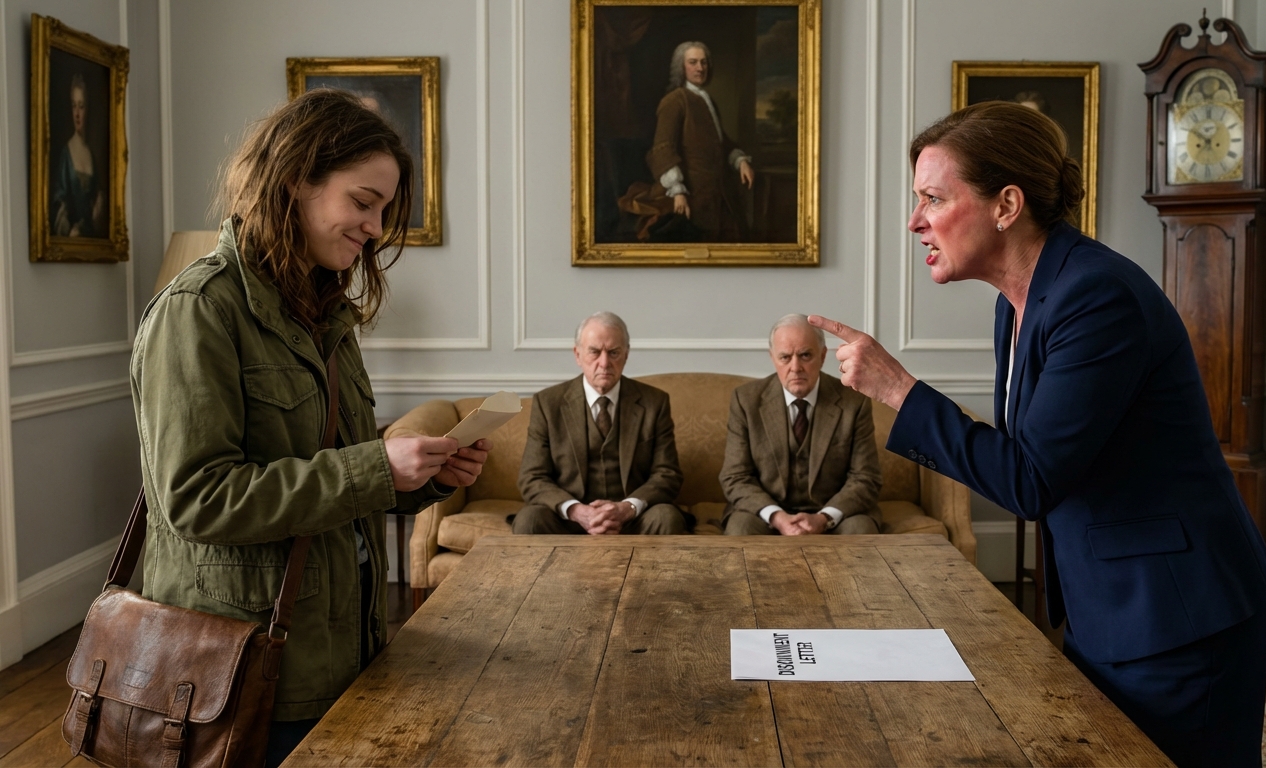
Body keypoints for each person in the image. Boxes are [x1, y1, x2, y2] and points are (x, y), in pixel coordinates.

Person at [810, 101, 1266, 766]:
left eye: (934, 199)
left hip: (1177, 615)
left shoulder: (1097, 297)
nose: (916, 221)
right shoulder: (1016, 304)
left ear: (1006, 204)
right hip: (1110, 606)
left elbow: (1029, 478)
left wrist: (898, 389)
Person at [131, 89, 490, 767]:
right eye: (362, 202)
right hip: (245, 676)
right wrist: (377, 467)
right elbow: (197, 499)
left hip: (344, 655)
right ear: (296, 181)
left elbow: (336, 477)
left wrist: (420, 479)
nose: (376, 228)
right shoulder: (198, 311)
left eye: (384, 209)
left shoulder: (325, 315)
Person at [513, 311, 687, 535]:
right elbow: (532, 477)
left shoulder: (655, 402)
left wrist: (627, 508)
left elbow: (667, 474)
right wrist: (577, 511)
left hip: (633, 519)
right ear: (578, 355)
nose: (604, 363)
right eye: (594, 352)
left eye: (614, 353)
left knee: (666, 517)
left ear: (626, 354)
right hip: (570, 520)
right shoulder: (548, 403)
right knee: (530, 519)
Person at [720, 314, 882, 536]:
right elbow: (735, 476)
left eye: (805, 355)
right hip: (766, 512)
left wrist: (824, 518)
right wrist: (777, 517)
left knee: (861, 529)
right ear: (772, 358)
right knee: (740, 528)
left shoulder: (854, 402)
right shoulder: (745, 400)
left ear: (823, 356)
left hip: (833, 512)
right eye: (785, 357)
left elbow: (865, 477)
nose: (796, 367)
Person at [626, 41, 754, 242]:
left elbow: (720, 142)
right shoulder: (675, 100)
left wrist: (741, 161)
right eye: (693, 62)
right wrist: (677, 191)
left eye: (703, 62)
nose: (700, 68)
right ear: (681, 67)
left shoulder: (707, 100)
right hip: (691, 193)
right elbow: (663, 149)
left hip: (716, 192)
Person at [51, 72, 105, 238]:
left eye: (81, 106)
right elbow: (59, 203)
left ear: (87, 109)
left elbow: (97, 201)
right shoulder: (66, 154)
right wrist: (69, 231)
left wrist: (98, 207)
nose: (76, 113)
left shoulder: (90, 154)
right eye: (74, 105)